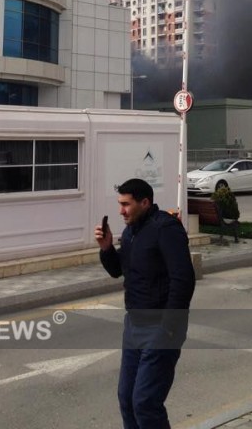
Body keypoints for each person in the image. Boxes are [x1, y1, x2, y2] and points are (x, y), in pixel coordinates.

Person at [95, 178, 195, 429]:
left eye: (126, 204)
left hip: (161, 328)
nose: (121, 211)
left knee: (146, 402)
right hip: (134, 327)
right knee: (127, 399)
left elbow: (183, 279)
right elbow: (119, 270)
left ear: (145, 202)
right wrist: (106, 248)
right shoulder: (130, 233)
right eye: (120, 204)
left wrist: (169, 327)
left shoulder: (166, 228)